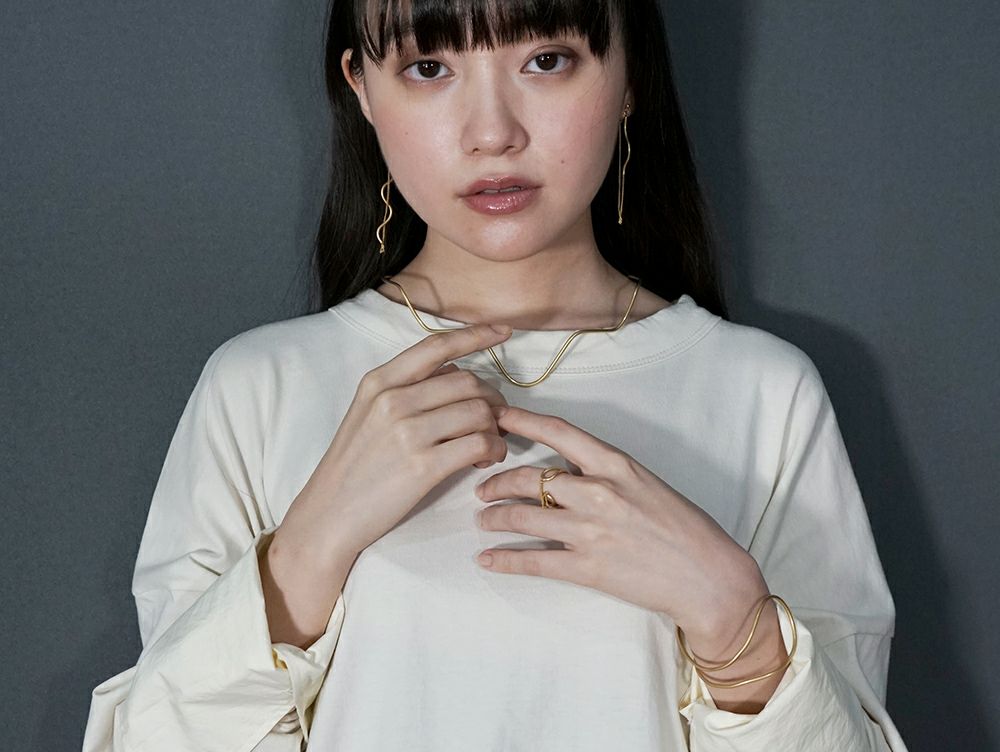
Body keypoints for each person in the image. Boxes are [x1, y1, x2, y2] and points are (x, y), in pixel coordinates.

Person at [83, 0, 909, 749]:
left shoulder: (763, 393)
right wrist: (307, 551)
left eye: (546, 60)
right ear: (361, 88)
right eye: (428, 67)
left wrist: (734, 624)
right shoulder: (259, 387)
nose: (492, 133)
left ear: (630, 76)